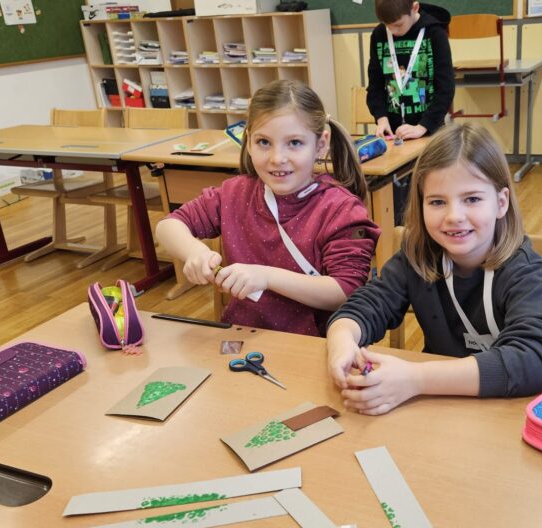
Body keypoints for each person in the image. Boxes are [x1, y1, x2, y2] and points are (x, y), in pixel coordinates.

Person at [327, 123, 542, 415]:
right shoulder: (417, 257)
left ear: (501, 203)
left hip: (504, 412)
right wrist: (341, 339)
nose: (454, 216)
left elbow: (534, 358)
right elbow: (367, 305)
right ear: (421, 205)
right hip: (437, 409)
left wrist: (417, 379)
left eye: (472, 199)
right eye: (438, 202)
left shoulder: (525, 271)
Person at [156, 79, 380, 337]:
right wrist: (195, 251)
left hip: (316, 345)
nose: (277, 158)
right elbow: (168, 226)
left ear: (320, 145)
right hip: (244, 337)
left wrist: (266, 277)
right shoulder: (234, 193)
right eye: (264, 142)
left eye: (294, 143)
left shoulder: (340, 209)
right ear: (249, 141)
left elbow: (346, 291)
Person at [367, 0, 454, 142]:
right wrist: (381, 119)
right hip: (393, 134)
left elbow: (446, 88)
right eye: (387, 25)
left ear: (415, 8)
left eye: (398, 25)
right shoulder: (379, 35)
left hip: (430, 133)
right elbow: (374, 86)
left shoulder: (435, 33)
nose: (393, 31)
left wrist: (422, 127)